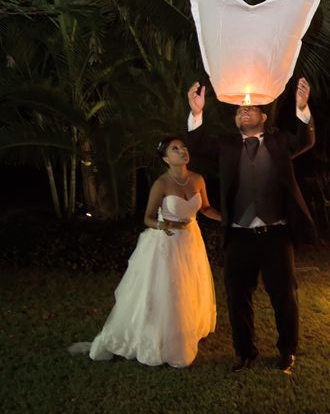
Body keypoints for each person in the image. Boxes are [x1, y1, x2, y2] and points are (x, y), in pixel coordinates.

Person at [186, 78, 317, 372]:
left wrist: (302, 107)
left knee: (284, 295)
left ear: (264, 116)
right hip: (239, 235)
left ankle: (287, 350)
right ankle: (244, 352)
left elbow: (305, 139)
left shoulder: (279, 141)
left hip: (276, 234)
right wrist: (196, 113)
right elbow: (196, 144)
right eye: (239, 110)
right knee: (237, 296)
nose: (243, 112)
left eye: (251, 108)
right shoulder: (227, 146)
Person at [69, 136, 221, 367]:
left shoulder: (198, 179)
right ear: (165, 158)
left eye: (183, 147)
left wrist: (227, 220)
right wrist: (164, 225)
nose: (182, 151)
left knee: (190, 284)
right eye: (175, 149)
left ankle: (185, 327)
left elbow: (207, 208)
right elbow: (148, 218)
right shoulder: (161, 183)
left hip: (191, 240)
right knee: (169, 290)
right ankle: (165, 338)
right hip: (167, 243)